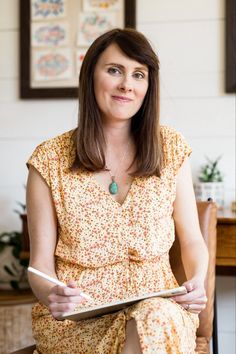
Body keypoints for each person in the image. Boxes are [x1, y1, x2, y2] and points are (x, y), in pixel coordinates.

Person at [26, 28, 208, 354]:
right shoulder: (49, 159)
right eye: (115, 70)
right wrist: (51, 294)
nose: (127, 84)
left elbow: (193, 239)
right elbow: (40, 267)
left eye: (139, 74)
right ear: (90, 76)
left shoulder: (171, 148)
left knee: (154, 319)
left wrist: (196, 279)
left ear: (148, 86)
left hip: (160, 310)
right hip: (78, 323)